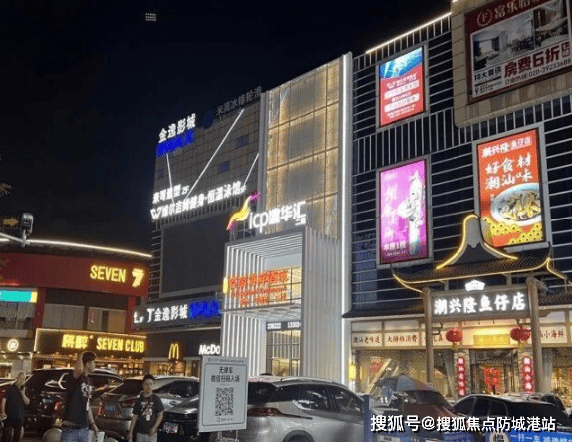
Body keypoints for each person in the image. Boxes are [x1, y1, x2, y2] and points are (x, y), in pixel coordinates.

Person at [60, 351, 99, 442]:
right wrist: (82, 355)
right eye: (94, 362)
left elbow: (87, 404)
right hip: (70, 430)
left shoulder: (89, 381)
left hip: (84, 429)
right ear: (87, 364)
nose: (95, 365)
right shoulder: (75, 378)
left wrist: (93, 424)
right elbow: (79, 370)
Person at [127, 374, 164, 442]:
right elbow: (135, 416)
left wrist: (154, 427)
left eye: (150, 384)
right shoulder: (139, 400)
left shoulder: (156, 399)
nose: (148, 386)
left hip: (151, 433)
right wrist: (130, 432)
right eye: (146, 384)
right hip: (140, 432)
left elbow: (160, 414)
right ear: (143, 385)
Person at [0, 372, 29, 442]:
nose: (22, 380)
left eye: (23, 379)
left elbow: (27, 402)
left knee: (16, 437)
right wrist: (3, 413)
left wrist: (23, 394)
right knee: (6, 437)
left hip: (19, 418)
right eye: (20, 378)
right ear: (17, 378)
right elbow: (3, 400)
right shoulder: (10, 388)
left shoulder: (24, 389)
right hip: (9, 416)